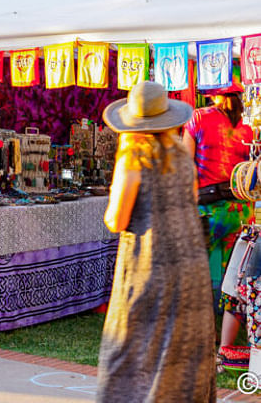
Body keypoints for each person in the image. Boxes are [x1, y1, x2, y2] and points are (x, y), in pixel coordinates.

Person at [97, 81, 215, 401]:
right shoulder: (181, 158)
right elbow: (189, 203)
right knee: (180, 349)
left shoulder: (132, 160)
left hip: (147, 263)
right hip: (188, 264)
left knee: (132, 347)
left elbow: (117, 220)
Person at [181, 81, 253, 350]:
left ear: (214, 96)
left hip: (205, 210)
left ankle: (202, 332)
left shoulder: (197, 117)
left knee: (198, 273)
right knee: (231, 275)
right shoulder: (247, 127)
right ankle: (227, 339)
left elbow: (184, 165)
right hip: (239, 210)